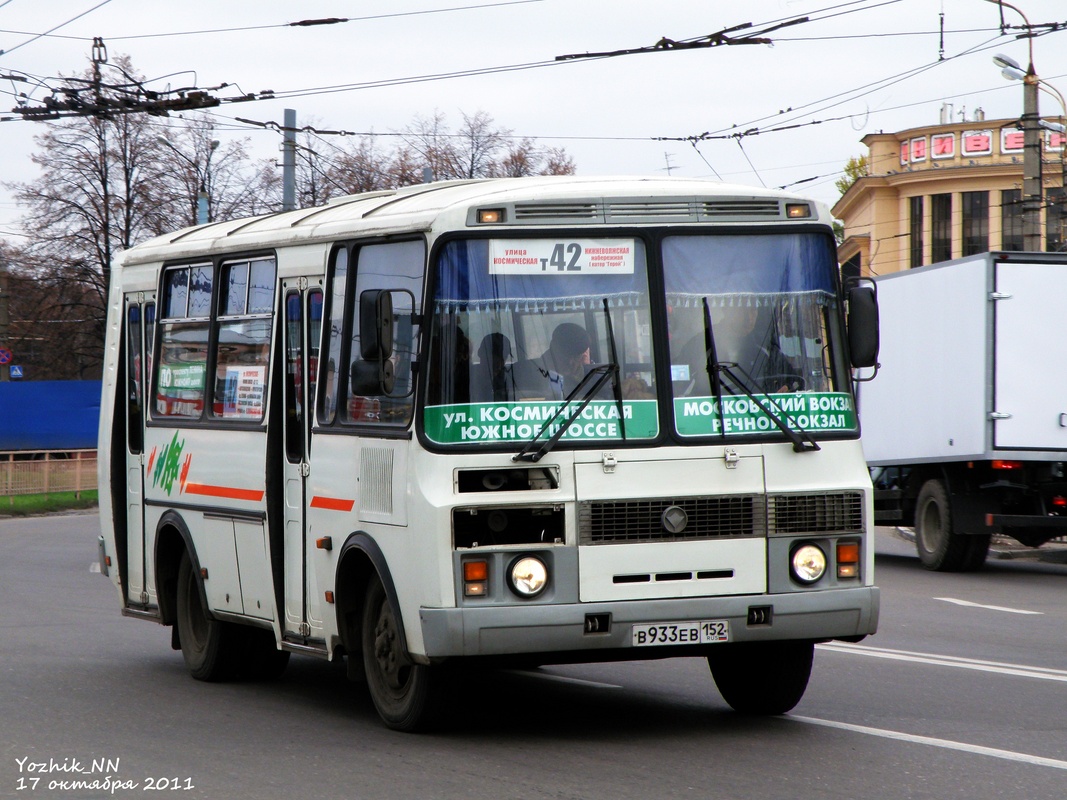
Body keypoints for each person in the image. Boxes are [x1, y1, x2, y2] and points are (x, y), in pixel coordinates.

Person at [514, 322, 592, 400]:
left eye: (576, 357)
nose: (570, 362)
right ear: (553, 348)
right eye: (565, 357)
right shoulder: (521, 373)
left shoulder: (593, 379)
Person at [472, 332, 515, 402]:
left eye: (504, 357)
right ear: (480, 353)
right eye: (495, 358)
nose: (500, 364)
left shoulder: (510, 379)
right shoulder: (467, 378)